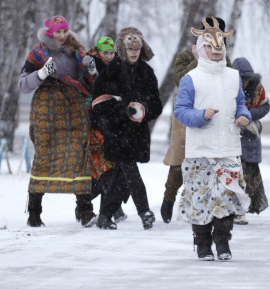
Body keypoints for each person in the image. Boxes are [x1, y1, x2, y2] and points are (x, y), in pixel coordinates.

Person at [174, 18, 252, 261]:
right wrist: (201, 115)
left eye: (219, 47)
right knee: (202, 202)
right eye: (209, 47)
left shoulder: (233, 76)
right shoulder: (191, 78)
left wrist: (243, 115)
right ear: (200, 49)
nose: (215, 51)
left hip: (228, 149)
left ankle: (223, 244)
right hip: (201, 152)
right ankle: (203, 244)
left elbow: (240, 102)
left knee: (226, 199)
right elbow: (180, 110)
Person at [18, 15, 98, 227]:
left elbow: (87, 84)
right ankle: (34, 213)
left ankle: (85, 211)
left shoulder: (76, 53)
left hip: (73, 108)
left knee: (79, 155)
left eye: (65, 31)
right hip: (46, 110)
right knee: (44, 155)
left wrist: (91, 70)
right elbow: (23, 84)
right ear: (49, 32)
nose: (62, 36)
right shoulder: (37, 53)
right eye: (58, 32)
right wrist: (42, 73)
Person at [160, 16, 232, 224]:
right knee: (180, 159)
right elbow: (179, 79)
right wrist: (196, 58)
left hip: (214, 118)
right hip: (187, 115)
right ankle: (168, 197)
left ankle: (210, 205)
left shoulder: (224, 58)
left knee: (212, 163)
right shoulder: (185, 55)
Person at [91, 27, 163, 230]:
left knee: (120, 179)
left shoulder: (147, 72)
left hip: (138, 133)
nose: (133, 52)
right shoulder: (111, 71)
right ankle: (145, 211)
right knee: (130, 171)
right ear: (122, 49)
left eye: (137, 49)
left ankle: (104, 216)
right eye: (130, 48)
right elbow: (98, 103)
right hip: (116, 132)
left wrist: (144, 110)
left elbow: (156, 104)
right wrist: (123, 111)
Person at [85, 36, 128, 224]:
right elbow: (89, 91)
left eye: (112, 53)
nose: (109, 56)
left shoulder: (118, 68)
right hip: (96, 126)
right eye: (105, 53)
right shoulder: (90, 67)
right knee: (104, 169)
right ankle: (88, 206)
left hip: (114, 124)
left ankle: (111, 208)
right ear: (98, 52)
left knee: (114, 169)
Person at [231, 57, 270, 224]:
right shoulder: (227, 88)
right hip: (232, 135)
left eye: (246, 79)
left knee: (249, 176)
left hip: (250, 136)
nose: (244, 83)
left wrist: (249, 116)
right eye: (241, 79)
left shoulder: (258, 89)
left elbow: (266, 106)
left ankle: (246, 207)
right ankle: (237, 210)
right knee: (233, 175)